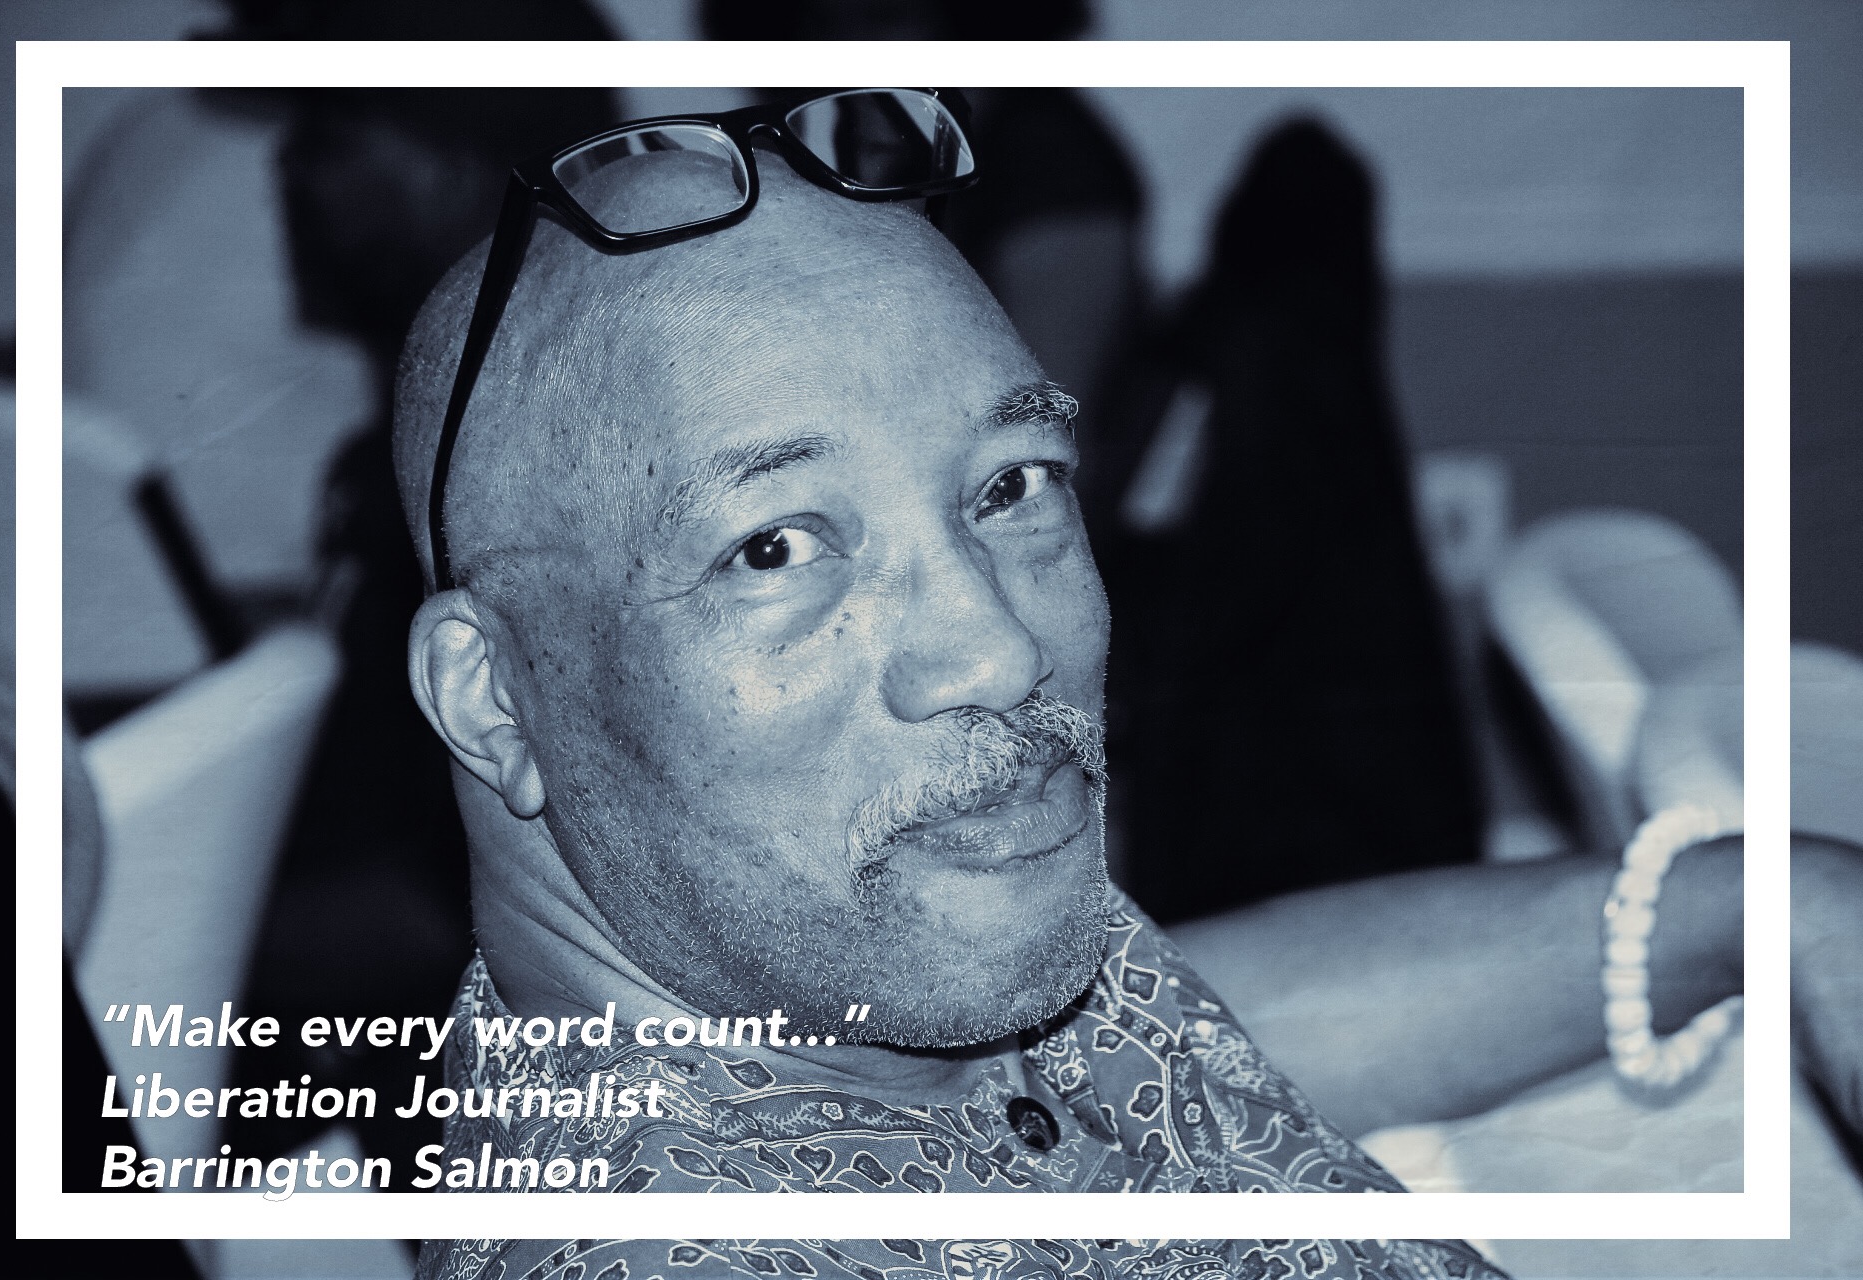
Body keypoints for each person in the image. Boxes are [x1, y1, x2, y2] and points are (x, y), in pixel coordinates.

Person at [385, 94, 1857, 1279]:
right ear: (492, 697)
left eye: (1012, 484)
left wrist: (1765, 905)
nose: (997, 649)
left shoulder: (851, 983)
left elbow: (1191, 1015)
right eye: (773, 548)